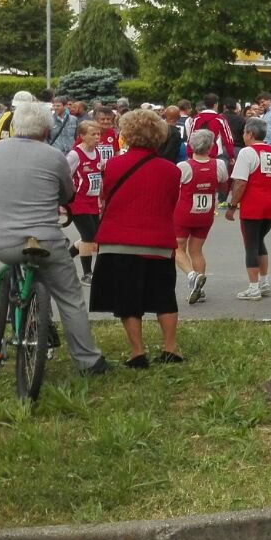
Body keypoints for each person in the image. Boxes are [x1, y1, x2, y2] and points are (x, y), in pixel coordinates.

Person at [0, 101, 111, 377]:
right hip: (46, 241)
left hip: (3, 242)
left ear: (15, 126)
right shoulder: (54, 156)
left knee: (14, 264)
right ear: (45, 129)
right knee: (70, 297)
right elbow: (67, 194)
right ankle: (88, 361)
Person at [89, 109, 187, 369]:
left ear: (127, 134)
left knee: (127, 299)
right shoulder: (171, 171)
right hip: (158, 242)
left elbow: (106, 195)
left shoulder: (113, 165)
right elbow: (170, 203)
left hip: (118, 241)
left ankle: (137, 352)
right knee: (164, 295)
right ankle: (169, 347)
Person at [224, 117, 271, 300]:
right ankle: (264, 282)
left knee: (250, 243)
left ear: (250, 134)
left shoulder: (247, 153)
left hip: (254, 204)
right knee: (260, 241)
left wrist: (232, 206)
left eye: (245, 132)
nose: (243, 135)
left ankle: (253, 288)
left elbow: (241, 182)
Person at [173, 130, 228, 305]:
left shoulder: (184, 167)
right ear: (211, 146)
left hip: (184, 212)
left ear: (191, 146)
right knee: (196, 250)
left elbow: (173, 187)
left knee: (177, 248)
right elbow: (223, 182)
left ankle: (192, 277)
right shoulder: (219, 165)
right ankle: (200, 289)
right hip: (206, 212)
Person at [66, 121, 107, 284]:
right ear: (82, 136)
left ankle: (65, 258)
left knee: (93, 236)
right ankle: (87, 274)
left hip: (92, 201)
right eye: (93, 134)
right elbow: (63, 175)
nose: (97, 138)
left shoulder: (97, 153)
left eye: (98, 134)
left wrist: (101, 197)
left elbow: (99, 176)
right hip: (78, 201)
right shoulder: (75, 155)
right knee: (88, 237)